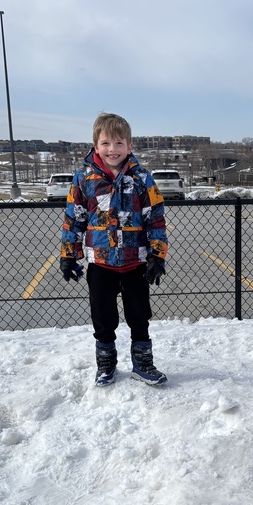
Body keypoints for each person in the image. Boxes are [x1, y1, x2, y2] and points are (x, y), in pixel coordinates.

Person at [60, 112, 169, 386]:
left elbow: (154, 218)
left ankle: (143, 363)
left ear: (129, 146)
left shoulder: (142, 178)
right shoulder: (84, 179)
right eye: (106, 143)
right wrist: (68, 254)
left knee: (139, 316)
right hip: (101, 264)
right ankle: (106, 364)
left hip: (136, 263)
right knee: (103, 319)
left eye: (119, 143)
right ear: (96, 146)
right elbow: (74, 219)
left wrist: (157, 254)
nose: (113, 149)